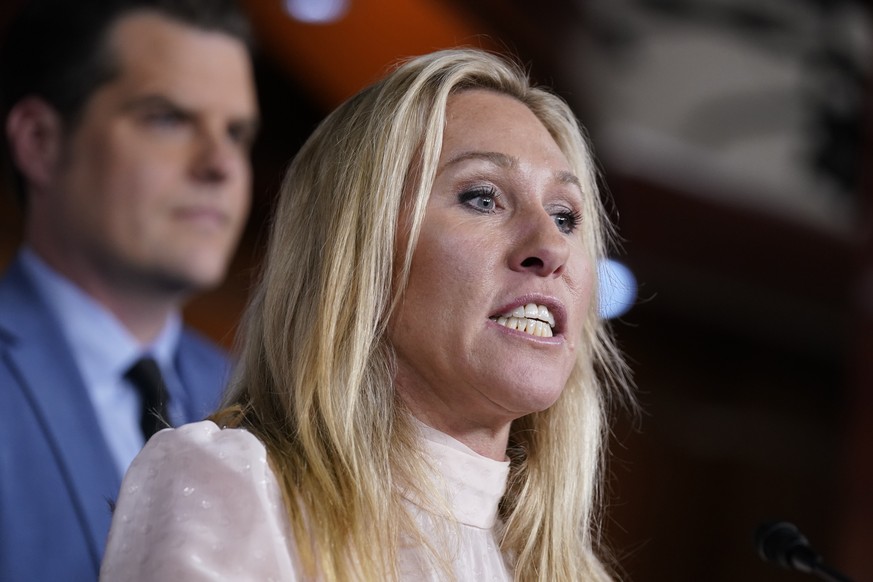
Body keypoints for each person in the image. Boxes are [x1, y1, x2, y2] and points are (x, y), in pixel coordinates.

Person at [100, 48, 632, 581]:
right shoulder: (232, 487)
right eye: (482, 198)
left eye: (566, 216)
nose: (551, 246)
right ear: (356, 253)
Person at [0, 0, 259, 580]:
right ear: (40, 141)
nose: (221, 164)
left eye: (237, 133)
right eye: (167, 118)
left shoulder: (257, 396)